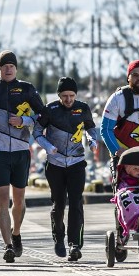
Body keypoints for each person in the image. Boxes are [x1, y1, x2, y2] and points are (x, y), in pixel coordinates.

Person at [0, 50, 45, 263]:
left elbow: (42, 114)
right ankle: (7, 246)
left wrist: (24, 121)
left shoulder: (27, 89)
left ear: (16, 68)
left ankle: (16, 233)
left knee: (19, 200)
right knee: (3, 199)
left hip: (22, 149)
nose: (8, 68)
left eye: (11, 65)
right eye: (4, 65)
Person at [33, 77, 99, 262]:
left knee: (76, 202)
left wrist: (92, 140)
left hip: (77, 162)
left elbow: (90, 128)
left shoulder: (83, 108)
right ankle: (59, 238)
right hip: (55, 163)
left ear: (76, 95)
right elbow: (36, 132)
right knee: (59, 203)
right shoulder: (50, 110)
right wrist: (47, 146)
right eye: (64, 96)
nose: (68, 99)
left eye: (71, 95)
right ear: (59, 95)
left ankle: (75, 245)